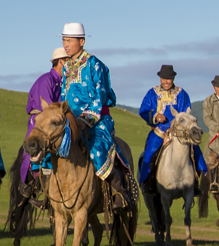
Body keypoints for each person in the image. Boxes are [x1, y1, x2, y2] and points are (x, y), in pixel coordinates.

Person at [58, 22, 133, 211]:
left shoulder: (94, 64)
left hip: (96, 121)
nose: (65, 44)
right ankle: (50, 197)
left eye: (69, 41)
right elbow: (63, 96)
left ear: (81, 41)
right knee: (52, 147)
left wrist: (86, 120)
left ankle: (120, 192)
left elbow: (99, 96)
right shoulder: (66, 67)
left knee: (96, 151)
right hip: (71, 122)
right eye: (64, 40)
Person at [137, 64, 207, 232]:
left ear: (173, 79)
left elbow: (186, 113)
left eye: (168, 78)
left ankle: (197, 181)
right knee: (149, 154)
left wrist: (178, 127)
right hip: (159, 132)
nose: (166, 81)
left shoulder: (182, 94)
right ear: (160, 78)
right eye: (163, 78)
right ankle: (148, 182)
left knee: (195, 151)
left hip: (179, 133)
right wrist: (155, 116)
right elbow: (143, 110)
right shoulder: (152, 93)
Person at [19, 47, 68, 196]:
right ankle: (29, 182)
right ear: (61, 62)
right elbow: (47, 109)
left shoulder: (63, 82)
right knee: (36, 145)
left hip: (57, 122)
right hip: (42, 120)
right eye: (68, 62)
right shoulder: (46, 80)